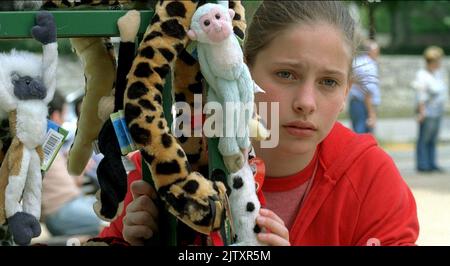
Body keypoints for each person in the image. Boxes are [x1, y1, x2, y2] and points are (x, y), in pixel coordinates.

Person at [99, 1, 419, 246]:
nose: (306, 102)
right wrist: (131, 241)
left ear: (347, 89)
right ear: (242, 69)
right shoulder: (176, 157)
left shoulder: (371, 176)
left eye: (329, 82)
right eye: (286, 74)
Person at [41, 92, 103, 237]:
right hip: (61, 211)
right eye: (63, 115)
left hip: (72, 203)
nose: (63, 121)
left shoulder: (53, 145)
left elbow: (75, 185)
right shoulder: (44, 141)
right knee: (112, 219)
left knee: (114, 210)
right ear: (56, 116)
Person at [412, 46, 448, 173]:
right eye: (437, 61)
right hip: (427, 111)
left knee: (433, 138)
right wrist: (422, 112)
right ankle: (422, 164)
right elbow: (421, 95)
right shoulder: (422, 75)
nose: (439, 63)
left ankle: (432, 163)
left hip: (437, 111)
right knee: (424, 138)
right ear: (431, 61)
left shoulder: (438, 74)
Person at [348, 40, 381, 134]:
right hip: (364, 104)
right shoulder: (369, 66)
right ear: (371, 51)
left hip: (354, 102)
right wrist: (372, 113)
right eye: (377, 51)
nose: (378, 54)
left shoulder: (357, 62)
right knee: (364, 136)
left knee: (357, 132)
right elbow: (368, 92)